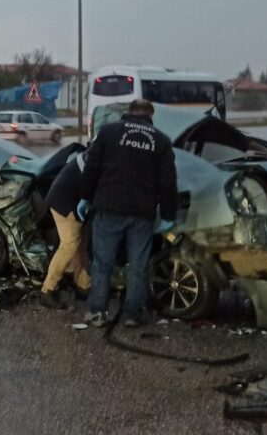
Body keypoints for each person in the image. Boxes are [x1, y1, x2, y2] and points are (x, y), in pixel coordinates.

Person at [79, 99, 177, 327]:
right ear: (150, 116)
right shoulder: (161, 141)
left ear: (128, 113)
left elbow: (91, 168)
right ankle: (133, 314)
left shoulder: (108, 132)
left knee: (102, 263)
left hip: (108, 207)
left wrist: (85, 197)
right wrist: (169, 214)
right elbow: (168, 182)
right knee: (138, 264)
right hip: (142, 214)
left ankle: (97, 312)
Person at [37, 152, 92, 310]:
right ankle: (47, 290)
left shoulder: (96, 151)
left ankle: (83, 284)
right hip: (64, 202)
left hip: (66, 198)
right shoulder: (100, 157)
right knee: (70, 244)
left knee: (80, 244)